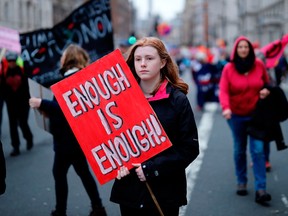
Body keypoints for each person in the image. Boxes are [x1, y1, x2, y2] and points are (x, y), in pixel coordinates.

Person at [110, 37, 200, 216]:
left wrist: (153, 168)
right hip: (130, 192)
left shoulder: (177, 100)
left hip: (164, 192)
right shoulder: (120, 99)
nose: (142, 64)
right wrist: (116, 164)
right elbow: (111, 140)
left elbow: (189, 148)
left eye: (149, 59)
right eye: (138, 59)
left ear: (162, 62)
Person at [29, 44, 107, 216]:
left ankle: (62, 211)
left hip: (67, 138)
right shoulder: (83, 78)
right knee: (82, 172)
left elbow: (65, 108)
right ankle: (98, 207)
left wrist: (41, 103)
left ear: (67, 59)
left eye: (63, 57)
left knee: (60, 173)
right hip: (78, 137)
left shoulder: (68, 80)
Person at [219, 36, 272, 204]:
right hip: (236, 115)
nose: (243, 49)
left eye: (246, 47)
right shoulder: (229, 68)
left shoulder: (259, 65)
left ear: (250, 49)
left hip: (256, 114)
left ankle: (261, 189)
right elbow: (223, 90)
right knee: (239, 149)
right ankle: (241, 181)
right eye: (240, 47)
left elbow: (266, 83)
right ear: (236, 50)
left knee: (257, 150)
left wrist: (265, 91)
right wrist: (226, 107)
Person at [1, 52, 33, 156]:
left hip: (23, 102)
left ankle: (29, 138)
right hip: (11, 103)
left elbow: (28, 84)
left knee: (23, 122)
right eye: (9, 61)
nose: (11, 63)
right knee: (13, 125)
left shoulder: (22, 70)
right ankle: (16, 146)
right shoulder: (4, 72)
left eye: (13, 61)